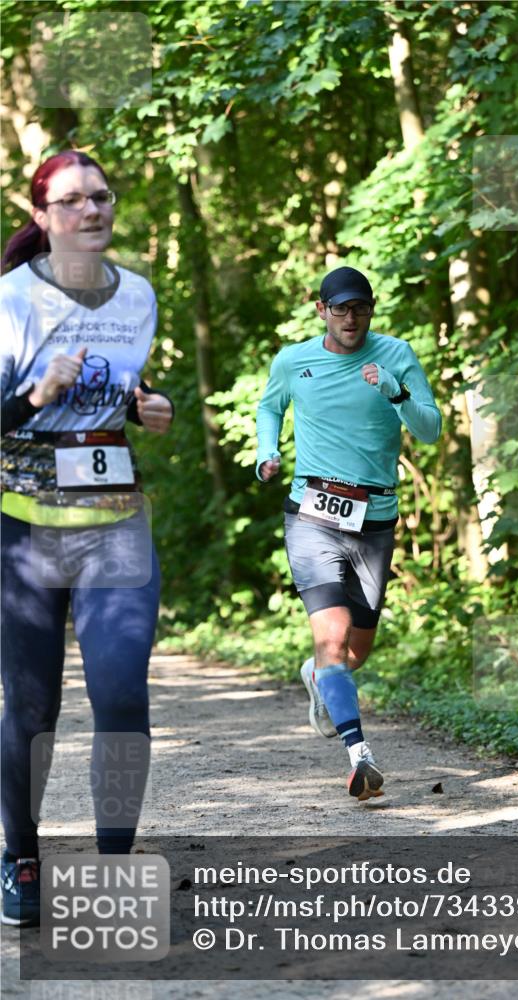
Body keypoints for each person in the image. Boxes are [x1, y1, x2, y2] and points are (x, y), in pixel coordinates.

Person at [0, 150, 173, 926]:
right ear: (42, 216)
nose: (91, 210)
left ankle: (113, 867)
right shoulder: (10, 302)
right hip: (23, 532)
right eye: (71, 201)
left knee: (121, 692)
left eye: (101, 196)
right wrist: (33, 395)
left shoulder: (137, 295)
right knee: (32, 709)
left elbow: (115, 392)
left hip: (114, 524)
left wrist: (144, 408)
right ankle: (22, 859)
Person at [256, 266, 441, 801]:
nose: (350, 317)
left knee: (354, 652)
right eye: (340, 308)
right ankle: (360, 757)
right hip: (311, 512)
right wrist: (268, 451)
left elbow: (429, 431)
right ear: (322, 311)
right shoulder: (293, 361)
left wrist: (396, 392)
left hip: (375, 518)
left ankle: (317, 677)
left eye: (359, 307)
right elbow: (270, 407)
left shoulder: (397, 354)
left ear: (371, 309)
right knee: (333, 639)